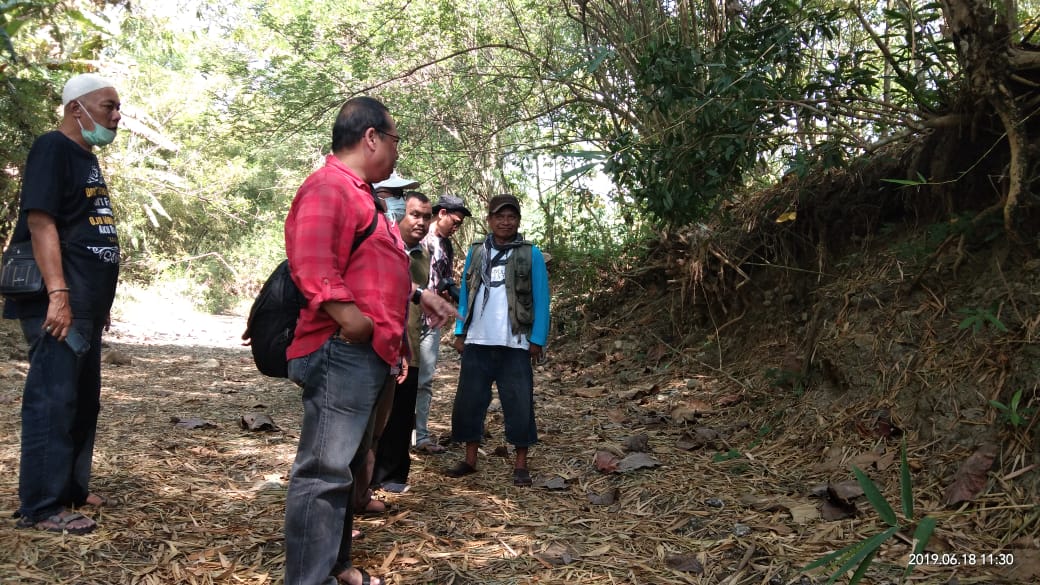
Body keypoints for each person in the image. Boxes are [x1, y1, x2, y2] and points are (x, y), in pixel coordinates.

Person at [282, 96, 454, 585]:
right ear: (372, 137)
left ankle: (335, 566)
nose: (397, 151)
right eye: (395, 139)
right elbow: (311, 262)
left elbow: (376, 268)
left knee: (347, 469)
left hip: (371, 352)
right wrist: (350, 319)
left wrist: (418, 298)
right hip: (343, 350)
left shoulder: (365, 196)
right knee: (323, 472)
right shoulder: (329, 189)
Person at [4, 73, 123, 535]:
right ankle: (41, 504)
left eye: (117, 108)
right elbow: (41, 221)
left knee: (83, 399)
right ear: (78, 107)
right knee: (53, 400)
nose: (117, 116)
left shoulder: (85, 156)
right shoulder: (53, 148)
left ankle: (72, 486)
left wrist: (98, 301)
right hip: (59, 302)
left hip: (86, 304)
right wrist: (58, 293)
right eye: (109, 106)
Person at [444, 194, 550, 487]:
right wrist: (460, 331)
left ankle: (520, 464)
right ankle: (469, 459)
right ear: (489, 220)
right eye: (499, 216)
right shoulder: (477, 251)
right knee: (469, 401)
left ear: (518, 220)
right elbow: (466, 292)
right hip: (478, 340)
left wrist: (537, 338)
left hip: (515, 341)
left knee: (519, 402)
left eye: (511, 216)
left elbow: (542, 299)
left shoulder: (532, 254)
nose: (506, 222)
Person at [371, 192, 433, 493]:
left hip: (410, 346)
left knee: (402, 413)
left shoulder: (423, 256)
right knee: (374, 417)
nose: (421, 222)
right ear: (400, 216)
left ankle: (393, 476)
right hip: (379, 346)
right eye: (415, 214)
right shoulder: (381, 245)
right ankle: (365, 479)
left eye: (426, 216)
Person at [413, 194, 472, 454]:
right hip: (409, 316)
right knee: (400, 376)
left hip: (432, 321)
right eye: (455, 222)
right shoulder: (419, 238)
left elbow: (444, 280)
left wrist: (452, 293)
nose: (457, 227)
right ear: (442, 213)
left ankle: (421, 436)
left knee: (424, 379)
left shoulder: (446, 245)